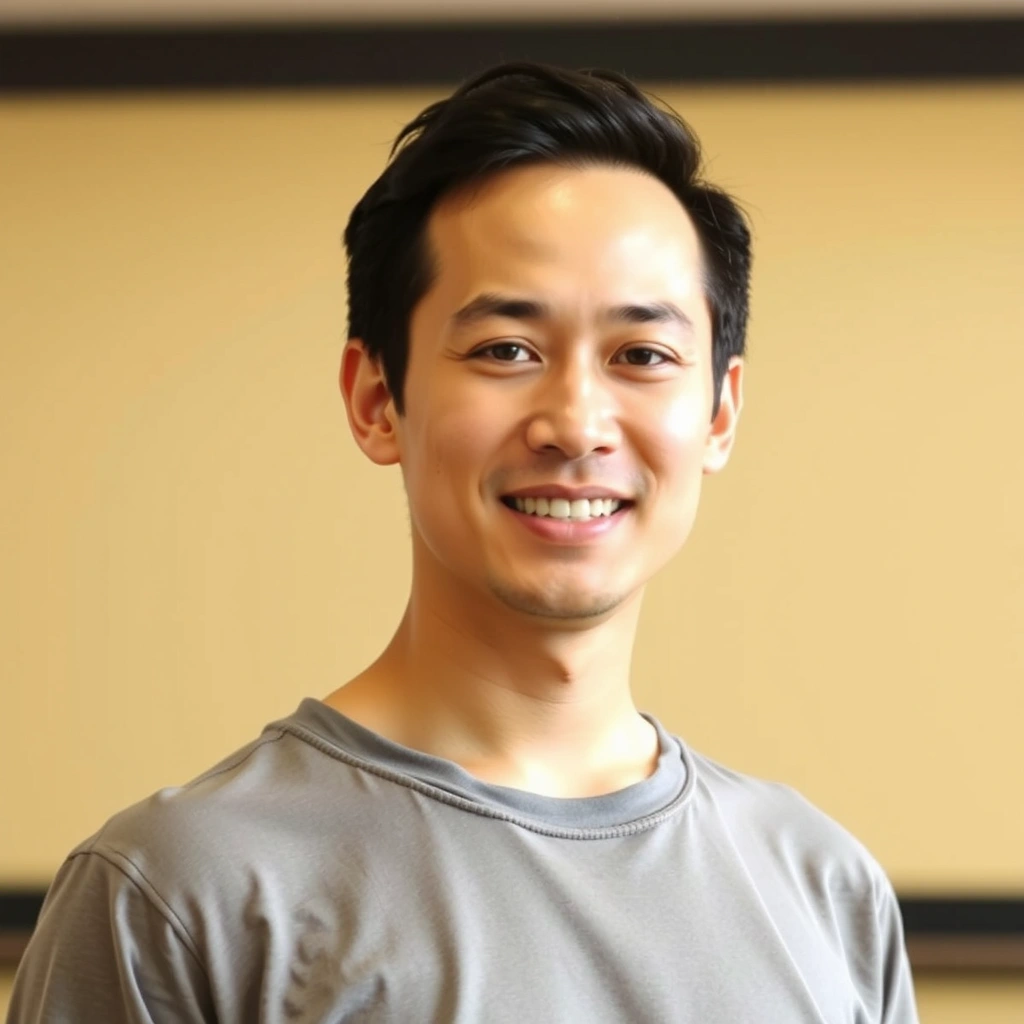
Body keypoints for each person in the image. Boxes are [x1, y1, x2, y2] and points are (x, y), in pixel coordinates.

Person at [8, 62, 918, 1023]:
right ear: (376, 400)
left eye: (643, 356)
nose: (576, 424)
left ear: (720, 414)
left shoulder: (826, 888)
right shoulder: (179, 892)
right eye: (505, 350)